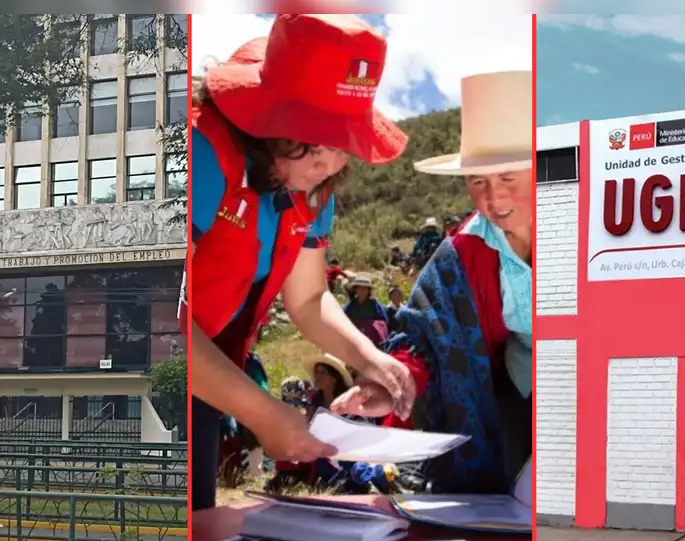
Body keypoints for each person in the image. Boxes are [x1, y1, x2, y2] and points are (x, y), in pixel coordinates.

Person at [187, 14, 417, 510]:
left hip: (204, 384)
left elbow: (309, 298)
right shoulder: (199, 150)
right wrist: (266, 416)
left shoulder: (312, 186)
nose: (327, 164)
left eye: (342, 146)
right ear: (265, 117)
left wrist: (368, 359)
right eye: (313, 141)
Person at [332, 70, 534, 494]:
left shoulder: (591, 230)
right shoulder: (461, 254)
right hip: (513, 399)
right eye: (478, 181)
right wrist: (394, 385)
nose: (494, 198)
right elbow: (423, 336)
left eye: (509, 179)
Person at [268, 354, 369, 492]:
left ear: (333, 378)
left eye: (322, 372)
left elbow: (357, 431)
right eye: (316, 372)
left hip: (344, 453)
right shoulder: (313, 401)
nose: (317, 376)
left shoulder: (347, 402)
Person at [342, 274, 389, 347]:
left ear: (368, 290)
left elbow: (383, 321)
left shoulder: (374, 304)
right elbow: (344, 319)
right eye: (360, 288)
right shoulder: (351, 304)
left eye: (365, 288)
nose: (362, 291)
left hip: (373, 336)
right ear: (355, 290)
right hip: (355, 334)